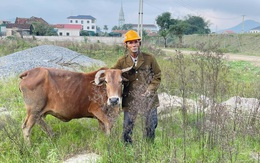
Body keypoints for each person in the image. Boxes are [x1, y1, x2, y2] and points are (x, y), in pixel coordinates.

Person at [111, 30, 161, 144]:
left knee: (151, 125)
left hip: (148, 98)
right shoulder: (121, 62)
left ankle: (149, 148)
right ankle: (127, 149)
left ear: (139, 43)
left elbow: (157, 75)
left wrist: (150, 90)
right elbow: (112, 74)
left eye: (136, 42)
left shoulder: (150, 58)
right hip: (130, 99)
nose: (134, 45)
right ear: (126, 45)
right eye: (130, 43)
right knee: (127, 127)